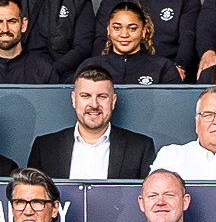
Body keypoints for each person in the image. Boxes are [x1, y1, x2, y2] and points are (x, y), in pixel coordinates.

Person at [17, 66, 154, 183]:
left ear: (113, 101)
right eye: (85, 96)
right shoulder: (44, 147)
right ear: (73, 99)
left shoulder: (140, 147)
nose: (94, 104)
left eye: (102, 96)